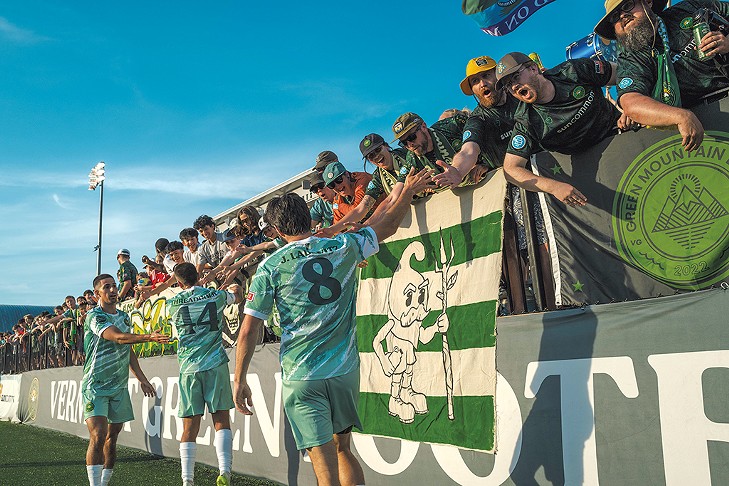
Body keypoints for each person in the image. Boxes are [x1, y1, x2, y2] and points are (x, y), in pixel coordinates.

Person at [234, 168, 432, 486]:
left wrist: (239, 380)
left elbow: (247, 330)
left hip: (303, 377)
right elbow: (388, 224)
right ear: (310, 218)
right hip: (343, 372)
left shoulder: (269, 267)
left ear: (274, 230)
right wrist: (408, 190)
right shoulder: (343, 245)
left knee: (324, 469)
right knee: (344, 451)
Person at [495, 52, 631, 206]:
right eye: (508, 86)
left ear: (533, 68)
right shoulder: (527, 121)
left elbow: (623, 73)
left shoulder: (573, 71)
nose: (514, 87)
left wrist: (628, 105)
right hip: (599, 169)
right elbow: (511, 169)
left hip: (624, 136)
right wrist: (553, 187)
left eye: (515, 77)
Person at [595, 0, 729, 151]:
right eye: (614, 17)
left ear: (648, 2)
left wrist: (727, 42)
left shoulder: (690, 8)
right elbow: (631, 102)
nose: (623, 16)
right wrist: (681, 116)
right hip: (712, 127)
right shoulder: (631, 59)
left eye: (627, 6)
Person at [82, 274, 169, 486]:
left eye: (114, 286)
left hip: (119, 387)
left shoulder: (124, 317)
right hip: (96, 385)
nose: (113, 290)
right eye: (107, 287)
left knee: (112, 440)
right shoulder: (94, 316)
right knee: (98, 435)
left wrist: (141, 378)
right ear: (97, 294)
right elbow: (118, 337)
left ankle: (104, 483)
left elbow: (126, 348)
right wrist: (148, 337)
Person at [165, 263, 243, 486]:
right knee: (221, 420)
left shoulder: (171, 303)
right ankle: (225, 472)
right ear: (198, 276)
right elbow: (235, 298)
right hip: (215, 363)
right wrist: (236, 288)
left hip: (189, 368)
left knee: (189, 427)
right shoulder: (215, 295)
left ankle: (187, 480)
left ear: (179, 283)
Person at [321, 134, 410, 236]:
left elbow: (391, 199)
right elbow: (362, 208)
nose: (376, 156)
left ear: (386, 146)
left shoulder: (405, 156)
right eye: (371, 156)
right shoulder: (378, 176)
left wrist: (341, 208)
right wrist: (331, 230)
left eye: (377, 150)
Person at [392, 112, 489, 190]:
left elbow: (491, 134)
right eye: (404, 143)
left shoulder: (453, 125)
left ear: (424, 127)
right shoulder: (411, 158)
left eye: (412, 137)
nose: (409, 144)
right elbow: (394, 195)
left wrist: (486, 163)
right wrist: (410, 190)